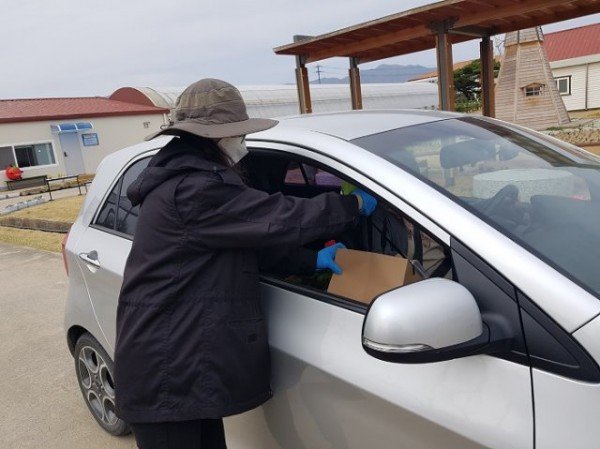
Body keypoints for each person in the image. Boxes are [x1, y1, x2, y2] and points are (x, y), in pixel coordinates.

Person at [113, 78, 377, 449]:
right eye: (237, 134)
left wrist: (308, 258)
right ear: (213, 138)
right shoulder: (196, 187)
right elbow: (278, 216)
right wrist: (351, 206)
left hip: (179, 358)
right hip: (168, 370)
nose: (242, 143)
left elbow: (236, 242)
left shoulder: (189, 177)